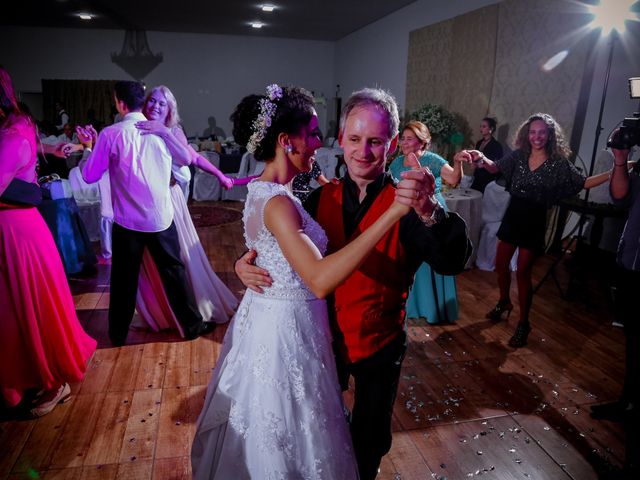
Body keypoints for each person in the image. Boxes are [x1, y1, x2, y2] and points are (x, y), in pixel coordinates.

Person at [235, 87, 471, 479]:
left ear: (392, 144)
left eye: (375, 141)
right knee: (318, 433)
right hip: (317, 340)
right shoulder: (311, 198)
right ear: (341, 139)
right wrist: (242, 263)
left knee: (370, 438)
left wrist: (430, 211)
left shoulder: (409, 204)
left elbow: (453, 261)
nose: (363, 152)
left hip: (378, 344)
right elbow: (271, 239)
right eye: (356, 139)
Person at [460, 113, 612, 348]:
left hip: (535, 219)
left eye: (541, 132)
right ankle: (504, 301)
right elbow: (494, 167)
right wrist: (480, 157)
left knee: (522, 273)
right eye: (533, 132)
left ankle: (523, 324)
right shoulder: (519, 156)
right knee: (501, 265)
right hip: (513, 215)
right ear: (526, 134)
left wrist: (614, 172)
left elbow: (583, 182)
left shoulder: (558, 162)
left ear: (549, 135)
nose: (537, 136)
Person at [80, 80, 214, 346]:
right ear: (143, 102)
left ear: (119, 102)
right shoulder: (160, 131)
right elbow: (186, 161)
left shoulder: (111, 133)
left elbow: (89, 175)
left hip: (128, 222)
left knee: (123, 281)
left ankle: (117, 335)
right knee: (174, 273)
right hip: (160, 218)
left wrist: (87, 147)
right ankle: (191, 326)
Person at [0, 66, 96, 416]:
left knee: (24, 309)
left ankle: (50, 378)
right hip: (12, 228)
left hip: (16, 233)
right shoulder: (16, 131)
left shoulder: (15, 133)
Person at [133, 85, 237, 332]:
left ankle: (189, 308)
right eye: (152, 101)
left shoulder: (173, 131)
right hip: (143, 203)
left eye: (162, 104)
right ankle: (160, 311)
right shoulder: (136, 126)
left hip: (169, 198)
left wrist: (220, 175)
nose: (156, 106)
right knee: (151, 261)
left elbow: (191, 158)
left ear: (169, 109)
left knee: (178, 255)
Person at [590, 131, 639, 478]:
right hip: (634, 259)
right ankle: (628, 402)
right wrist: (620, 160)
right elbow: (619, 195)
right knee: (634, 336)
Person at [388, 120, 463, 324]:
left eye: (409, 139)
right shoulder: (396, 162)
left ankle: (434, 308)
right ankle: (414, 305)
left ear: (421, 143)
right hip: (407, 216)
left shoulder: (432, 159)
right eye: (402, 138)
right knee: (412, 260)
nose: (404, 142)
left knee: (433, 257)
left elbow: (454, 179)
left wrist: (458, 162)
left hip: (431, 212)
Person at [470, 116, 504, 193]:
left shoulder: (497, 145)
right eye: (480, 126)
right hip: (477, 176)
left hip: (488, 179)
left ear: (491, 129)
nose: (481, 129)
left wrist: (484, 165)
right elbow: (475, 158)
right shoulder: (479, 143)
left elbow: (498, 165)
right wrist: (473, 162)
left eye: (484, 126)